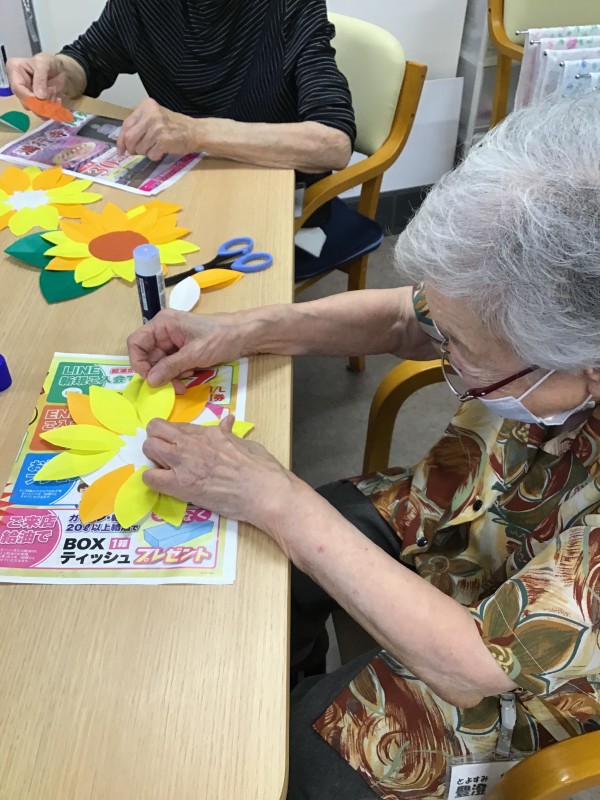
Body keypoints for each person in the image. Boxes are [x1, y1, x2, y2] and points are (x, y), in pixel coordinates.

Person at [126, 93, 600, 799]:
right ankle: (298, 668)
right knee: (263, 571)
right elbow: (406, 318)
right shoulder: (545, 302)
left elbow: (473, 666)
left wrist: (279, 499)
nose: (441, 352)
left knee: (295, 749)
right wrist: (242, 330)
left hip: (521, 684)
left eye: (462, 353)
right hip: (458, 513)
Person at [7, 0, 355, 173]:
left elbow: (334, 143)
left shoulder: (289, 7)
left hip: (268, 181)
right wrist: (59, 70)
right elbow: (89, 60)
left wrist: (193, 132)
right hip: (183, 176)